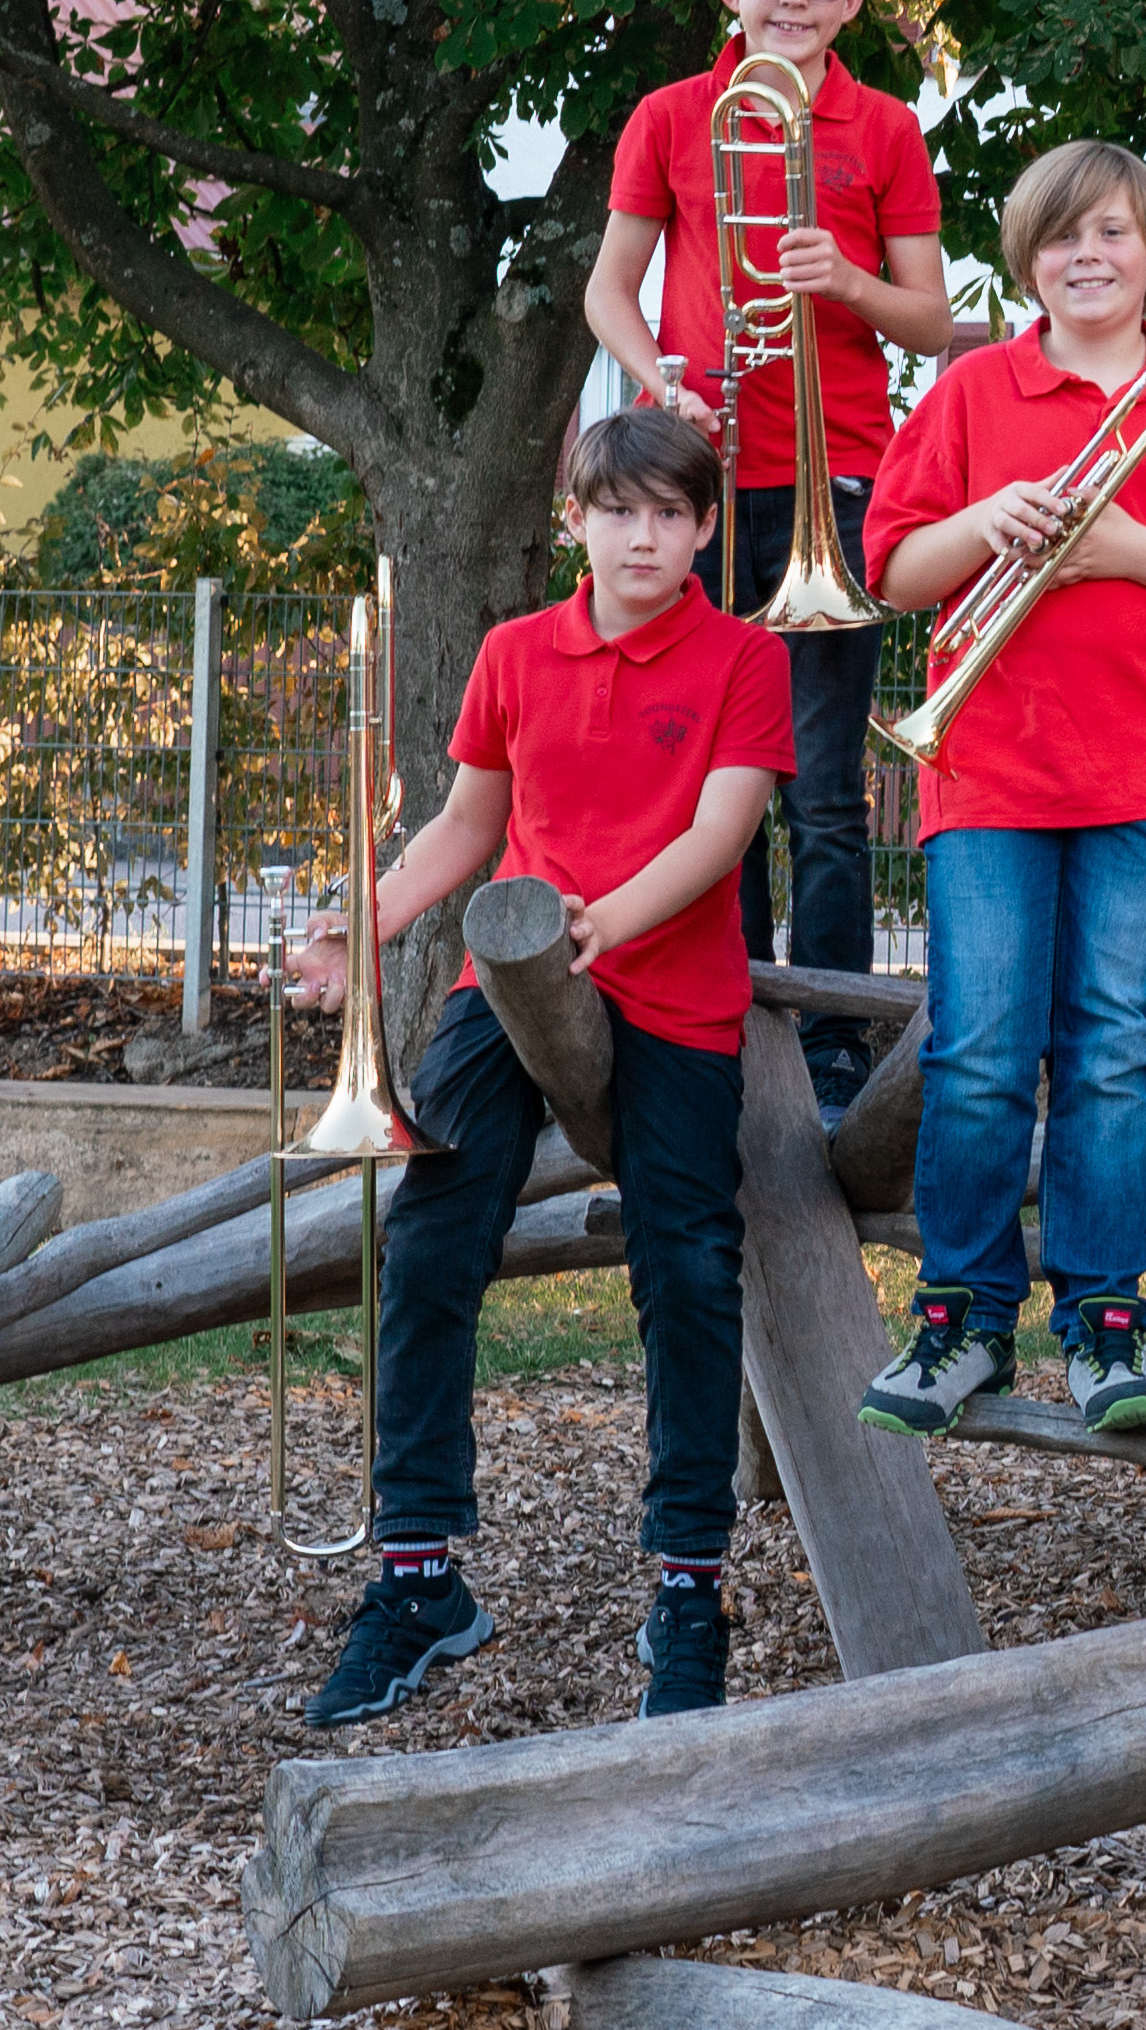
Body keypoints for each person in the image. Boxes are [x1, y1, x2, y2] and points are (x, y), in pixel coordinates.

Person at [285, 406, 787, 1729]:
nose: (645, 535)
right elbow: (467, 826)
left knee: (686, 1256)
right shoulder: (516, 652)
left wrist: (606, 920)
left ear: (701, 529)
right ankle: (418, 1577)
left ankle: (689, 1584)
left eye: (672, 514)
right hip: (506, 981)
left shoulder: (743, 658)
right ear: (577, 518)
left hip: (668, 985)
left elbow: (724, 831)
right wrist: (365, 923)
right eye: (619, 509)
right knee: (432, 1231)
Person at [842, 144, 1146, 1435]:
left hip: (1141, 773)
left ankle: (1106, 1324)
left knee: (1111, 1049)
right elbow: (893, 570)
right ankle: (961, 1318)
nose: (1087, 257)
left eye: (1111, 234)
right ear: (1025, 260)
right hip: (986, 766)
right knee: (980, 1048)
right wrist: (994, 518)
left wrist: (1127, 546)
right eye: (1060, 239)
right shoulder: (975, 388)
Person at [576, 0, 953, 1111]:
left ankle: (835, 1037)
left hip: (832, 480)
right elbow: (609, 291)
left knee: (826, 789)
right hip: (698, 480)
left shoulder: (887, 128)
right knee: (705, 779)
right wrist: (659, 382)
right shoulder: (674, 114)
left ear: (853, 0)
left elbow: (933, 319)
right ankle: (720, 1021)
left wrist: (841, 278)